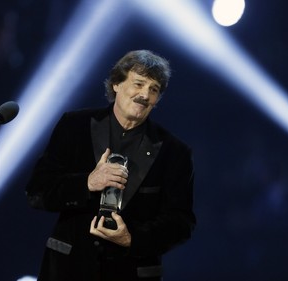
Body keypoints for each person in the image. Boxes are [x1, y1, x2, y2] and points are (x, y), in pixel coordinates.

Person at [25, 49, 196, 281]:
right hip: (68, 269)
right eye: (138, 84)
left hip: (131, 273)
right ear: (116, 84)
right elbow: (37, 191)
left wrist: (132, 239)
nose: (145, 94)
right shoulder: (74, 126)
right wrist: (87, 182)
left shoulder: (174, 152)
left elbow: (181, 222)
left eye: (153, 89)